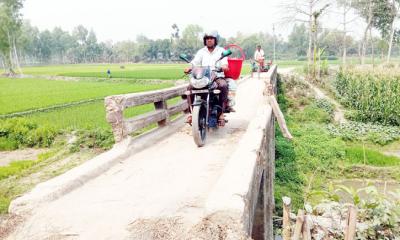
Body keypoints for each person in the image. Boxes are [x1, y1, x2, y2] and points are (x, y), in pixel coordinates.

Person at [184, 30, 232, 125]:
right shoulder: (201, 52)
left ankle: (221, 113)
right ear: (205, 41)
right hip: (204, 77)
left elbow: (225, 64)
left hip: (217, 76)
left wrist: (224, 67)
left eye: (211, 38)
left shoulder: (221, 51)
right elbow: (194, 62)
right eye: (207, 39)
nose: (209, 40)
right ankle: (192, 113)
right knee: (189, 88)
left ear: (215, 40)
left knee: (223, 85)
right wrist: (189, 67)